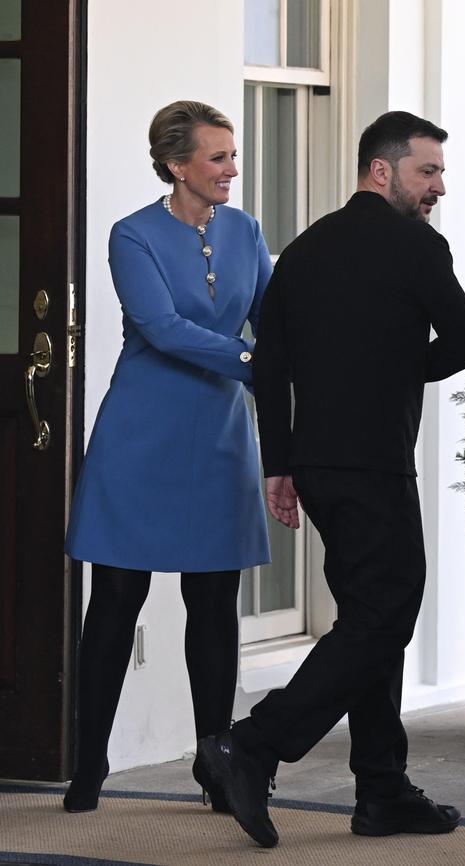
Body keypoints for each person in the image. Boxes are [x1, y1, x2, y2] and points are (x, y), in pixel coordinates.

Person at [197, 110, 465, 848]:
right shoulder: (419, 247)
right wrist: (393, 371)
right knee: (387, 612)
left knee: (367, 617)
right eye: (428, 172)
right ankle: (253, 744)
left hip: (316, 466)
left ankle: (382, 790)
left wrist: (281, 465)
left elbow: (272, 368)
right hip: (375, 463)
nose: (438, 188)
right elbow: (462, 342)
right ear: (381, 171)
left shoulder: (302, 251)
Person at [63, 101, 272, 812]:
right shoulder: (133, 235)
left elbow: (274, 320)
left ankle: (218, 768)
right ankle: (89, 767)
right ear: (177, 165)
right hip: (140, 437)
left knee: (214, 603)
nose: (231, 170)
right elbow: (161, 328)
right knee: (116, 598)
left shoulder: (247, 231)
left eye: (233, 155)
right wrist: (254, 359)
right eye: (218, 158)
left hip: (220, 438)